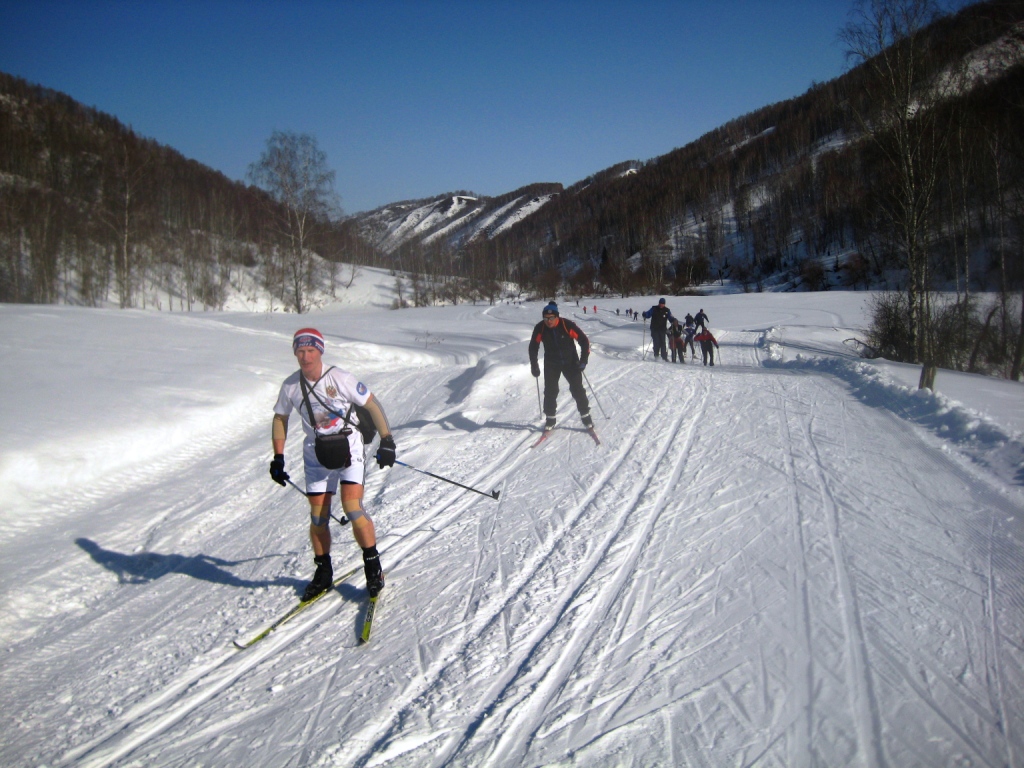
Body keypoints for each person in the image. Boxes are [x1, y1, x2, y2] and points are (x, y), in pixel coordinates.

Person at [269, 328, 396, 601]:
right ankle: (323, 572)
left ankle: (373, 568)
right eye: (300, 351)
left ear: (320, 351)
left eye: (310, 351)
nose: (305, 357)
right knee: (318, 518)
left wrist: (387, 441)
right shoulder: (290, 385)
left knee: (352, 507)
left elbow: (373, 405)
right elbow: (280, 418)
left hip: (349, 446)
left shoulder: (339, 378)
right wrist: (278, 457)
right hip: (316, 453)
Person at [529, 302, 593, 431]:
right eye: (546, 318)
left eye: (551, 318)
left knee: (577, 389)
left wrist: (583, 360)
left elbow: (584, 341)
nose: (548, 321)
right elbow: (533, 347)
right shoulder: (540, 328)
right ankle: (550, 419)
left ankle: (586, 417)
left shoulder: (566, 325)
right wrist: (534, 365)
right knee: (550, 391)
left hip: (570, 362)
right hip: (551, 364)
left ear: (557, 317)